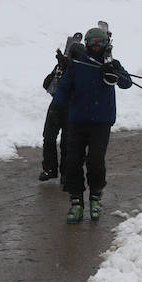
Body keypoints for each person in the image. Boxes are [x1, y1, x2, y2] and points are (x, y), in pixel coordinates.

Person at [51, 26, 131, 223]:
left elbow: (127, 83)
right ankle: (76, 202)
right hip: (77, 120)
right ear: (86, 43)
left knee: (95, 161)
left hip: (101, 122)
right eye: (93, 42)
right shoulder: (77, 62)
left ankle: (96, 197)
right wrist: (56, 105)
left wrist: (114, 72)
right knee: (72, 162)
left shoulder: (112, 63)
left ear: (106, 44)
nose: (97, 46)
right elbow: (64, 87)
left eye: (100, 42)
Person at [38, 32, 84, 183]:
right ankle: (49, 169)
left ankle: (66, 172)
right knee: (49, 138)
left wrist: (67, 69)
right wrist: (59, 68)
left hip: (73, 108)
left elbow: (80, 89)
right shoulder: (62, 65)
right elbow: (47, 84)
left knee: (67, 142)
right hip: (56, 106)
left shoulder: (82, 69)